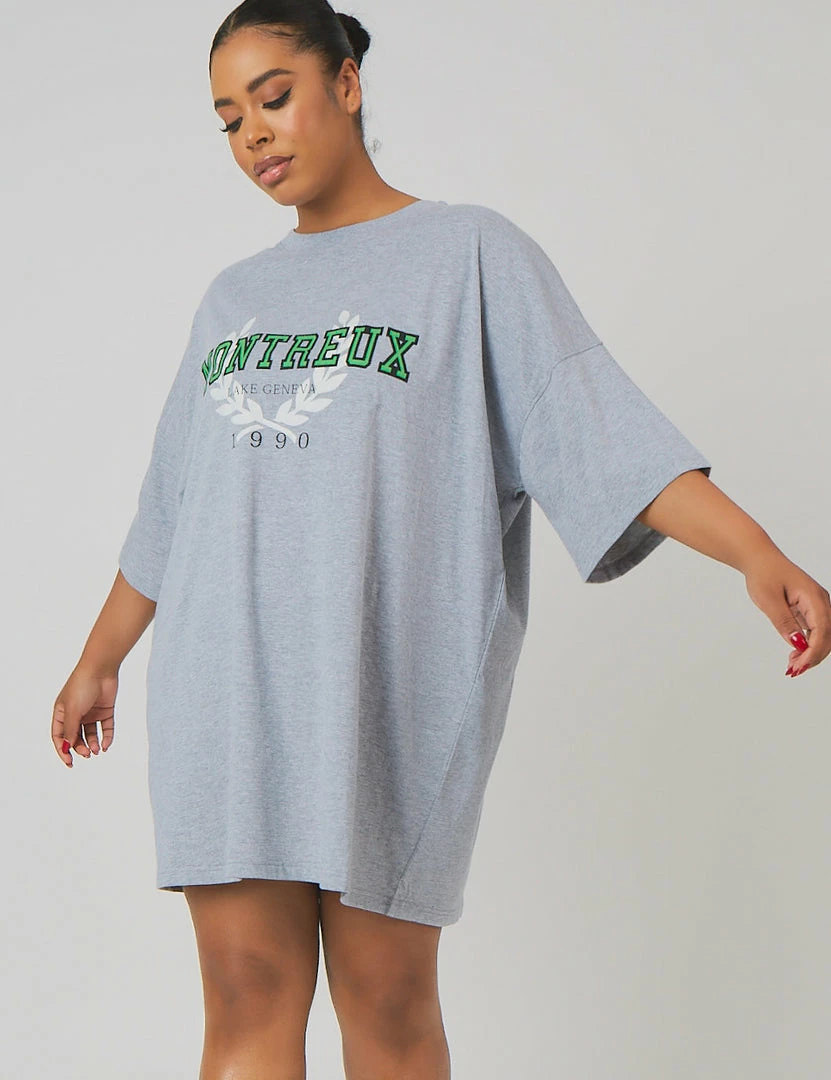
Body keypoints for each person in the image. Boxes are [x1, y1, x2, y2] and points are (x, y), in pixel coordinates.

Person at [50, 1, 830, 1077]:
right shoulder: (233, 300)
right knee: (244, 994)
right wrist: (100, 658)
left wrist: (755, 551)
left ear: (346, 83)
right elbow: (172, 502)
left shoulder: (469, 254)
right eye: (229, 120)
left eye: (274, 98)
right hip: (223, 689)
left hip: (386, 689)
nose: (254, 135)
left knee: (388, 1002)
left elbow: (590, 423)